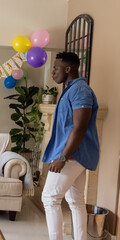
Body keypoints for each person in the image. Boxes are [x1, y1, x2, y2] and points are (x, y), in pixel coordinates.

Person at [41, 52, 99, 240]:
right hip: (75, 154)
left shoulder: (80, 90)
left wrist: (63, 157)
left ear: (67, 69)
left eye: (55, 68)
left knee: (50, 198)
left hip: (72, 155)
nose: (52, 72)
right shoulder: (71, 89)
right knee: (75, 201)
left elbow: (80, 126)